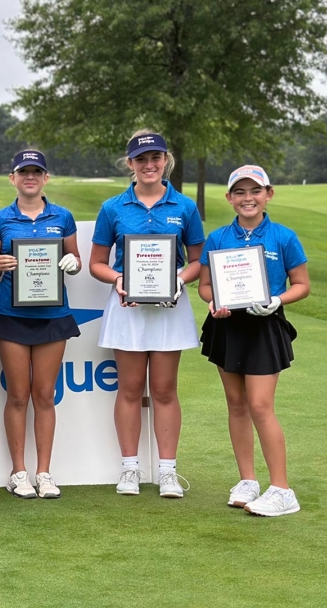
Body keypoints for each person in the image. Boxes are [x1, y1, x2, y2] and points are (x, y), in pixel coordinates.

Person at [89, 131, 204, 498]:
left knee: (165, 389)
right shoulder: (113, 208)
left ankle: (167, 471)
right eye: (141, 160)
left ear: (166, 160)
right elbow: (96, 264)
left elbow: (198, 260)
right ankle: (130, 469)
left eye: (155, 158)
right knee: (130, 388)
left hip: (170, 306)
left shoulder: (184, 207)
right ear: (131, 164)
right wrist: (120, 278)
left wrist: (179, 278)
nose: (149, 165)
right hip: (128, 307)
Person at [198, 165, 309, 517]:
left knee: (260, 406)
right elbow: (204, 286)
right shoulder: (217, 238)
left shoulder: (283, 236)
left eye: (255, 191)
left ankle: (282, 489)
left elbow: (302, 285)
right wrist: (213, 302)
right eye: (240, 192)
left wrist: (276, 301)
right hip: (227, 327)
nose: (248, 198)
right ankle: (248, 480)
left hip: (265, 325)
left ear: (268, 194)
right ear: (230, 198)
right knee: (236, 404)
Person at [0, 151, 81, 500]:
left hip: (52, 316)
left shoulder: (63, 217)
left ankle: (44, 472)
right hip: (11, 315)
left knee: (44, 394)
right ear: (13, 178)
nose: (30, 177)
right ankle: (18, 472)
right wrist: (0, 264)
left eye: (36, 171)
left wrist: (72, 262)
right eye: (23, 171)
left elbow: (76, 260)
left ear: (45, 177)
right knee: (18, 394)